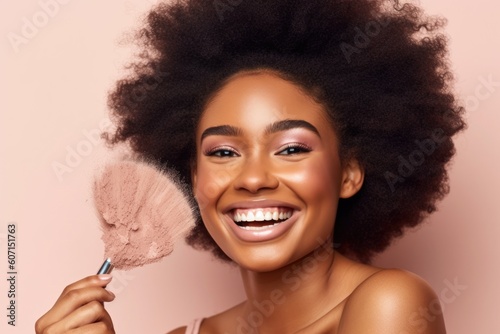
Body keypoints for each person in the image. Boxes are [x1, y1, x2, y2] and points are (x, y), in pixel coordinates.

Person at [35, 0, 465, 333]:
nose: (254, 178)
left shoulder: (390, 303)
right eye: (223, 153)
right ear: (192, 179)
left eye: (292, 148)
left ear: (349, 172)